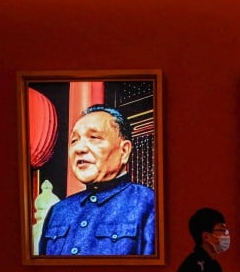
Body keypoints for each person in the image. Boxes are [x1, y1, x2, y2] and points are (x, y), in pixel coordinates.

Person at [39, 105, 156, 256]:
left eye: (94, 137)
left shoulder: (147, 202)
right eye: (74, 140)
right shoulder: (59, 211)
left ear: (124, 150)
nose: (79, 148)